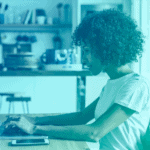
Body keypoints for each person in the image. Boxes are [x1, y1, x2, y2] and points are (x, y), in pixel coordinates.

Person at [3, 9, 150, 150]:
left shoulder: (135, 86)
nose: (84, 59)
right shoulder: (112, 84)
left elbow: (95, 132)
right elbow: (81, 117)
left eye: (87, 51)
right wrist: (34, 120)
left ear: (106, 48)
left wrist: (34, 129)